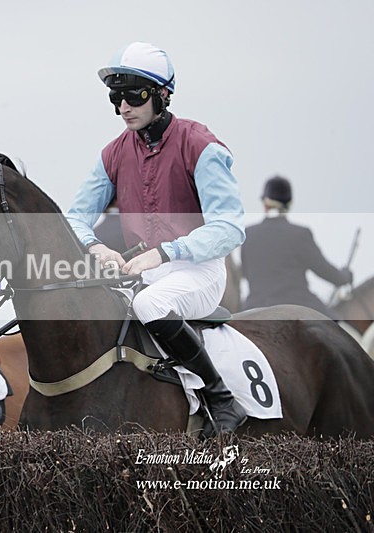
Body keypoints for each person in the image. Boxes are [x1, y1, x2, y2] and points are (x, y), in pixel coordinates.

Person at [66, 42, 247, 437]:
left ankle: (221, 399)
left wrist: (167, 252)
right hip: (146, 272)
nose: (123, 107)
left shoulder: (201, 145)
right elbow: (74, 217)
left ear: (163, 94)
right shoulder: (112, 153)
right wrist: (95, 247)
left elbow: (230, 228)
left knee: (149, 302)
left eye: (135, 95)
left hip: (199, 272)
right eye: (116, 97)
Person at [240, 175, 353, 318]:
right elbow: (324, 270)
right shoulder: (300, 234)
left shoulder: (248, 234)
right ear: (290, 204)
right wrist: (345, 276)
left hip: (253, 308)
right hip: (297, 306)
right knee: (340, 330)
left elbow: (245, 272)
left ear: (265, 203)